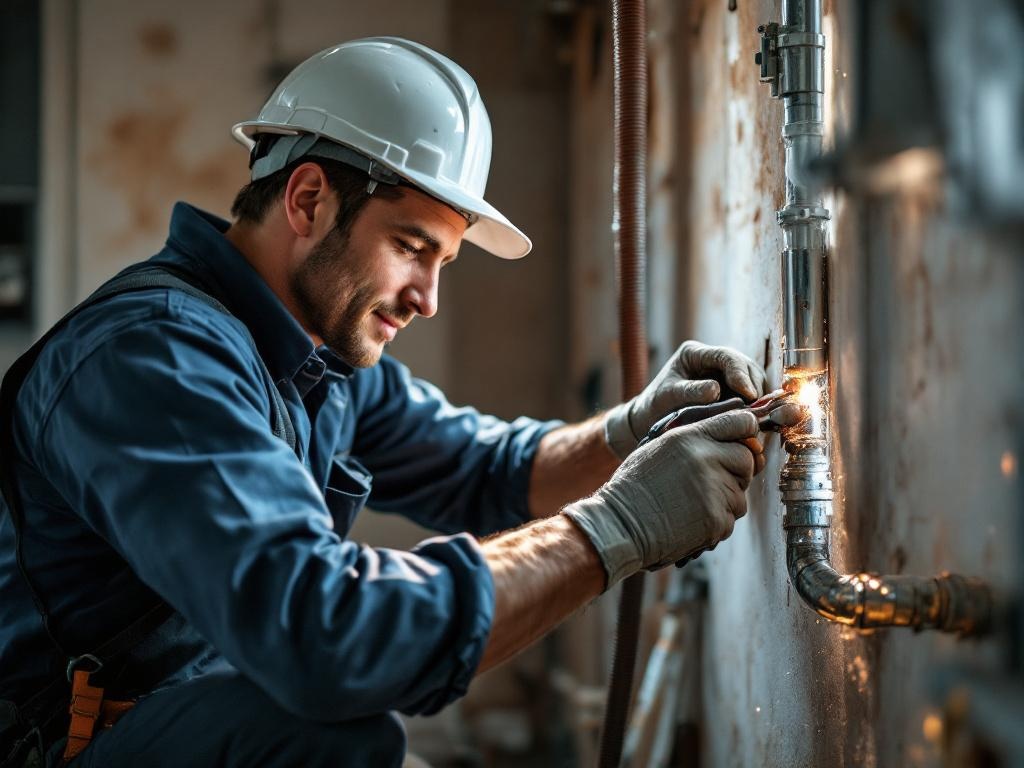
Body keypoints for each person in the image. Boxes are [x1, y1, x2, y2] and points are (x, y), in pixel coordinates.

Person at [0, 38, 769, 767]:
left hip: (173, 724)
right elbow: (322, 635)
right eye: (410, 247)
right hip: (58, 748)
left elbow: (487, 469)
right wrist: (615, 529)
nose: (428, 299)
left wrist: (633, 430)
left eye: (444, 261)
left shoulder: (314, 354)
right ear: (308, 200)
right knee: (331, 737)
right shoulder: (153, 358)